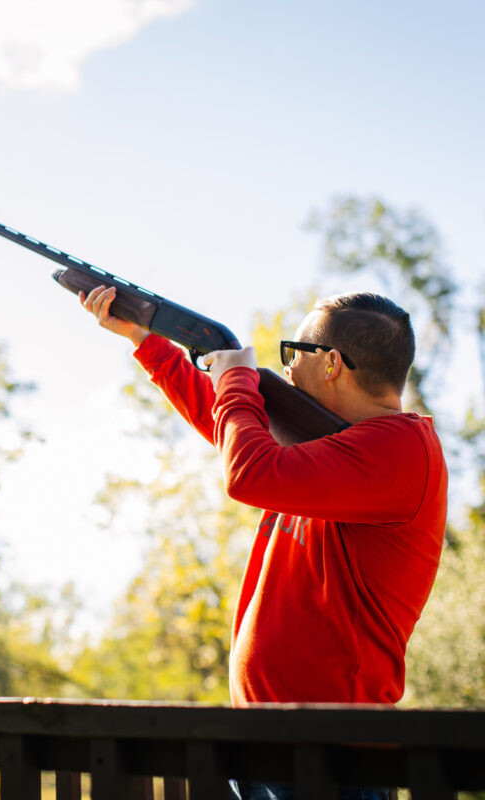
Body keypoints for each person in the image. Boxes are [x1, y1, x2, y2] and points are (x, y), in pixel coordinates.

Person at [80, 286, 448, 800]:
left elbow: (247, 471)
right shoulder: (338, 446)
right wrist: (148, 341)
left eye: (294, 355)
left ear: (333, 364)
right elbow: (233, 428)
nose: (289, 370)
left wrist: (234, 372)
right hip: (272, 747)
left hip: (329, 759)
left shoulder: (399, 450)